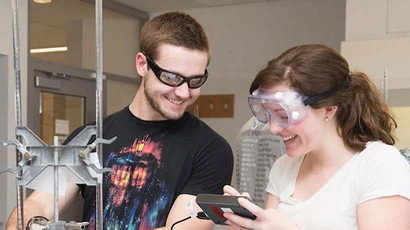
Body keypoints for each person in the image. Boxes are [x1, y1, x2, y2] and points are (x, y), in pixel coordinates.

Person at [6, 11, 234, 230]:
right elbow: (39, 204)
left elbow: (178, 229)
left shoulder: (212, 151)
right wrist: (27, 224)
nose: (184, 93)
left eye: (195, 81)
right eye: (172, 77)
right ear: (142, 65)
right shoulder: (89, 137)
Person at [222, 44, 410, 230]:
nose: (273, 128)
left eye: (284, 115)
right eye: (269, 115)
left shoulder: (379, 165)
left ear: (328, 109)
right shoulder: (284, 167)